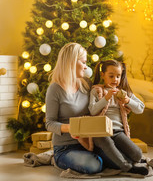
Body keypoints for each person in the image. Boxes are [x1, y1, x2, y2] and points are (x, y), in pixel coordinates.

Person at [45, 43, 115, 174]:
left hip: (90, 143)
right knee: (94, 165)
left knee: (119, 160)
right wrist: (72, 128)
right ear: (71, 62)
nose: (86, 66)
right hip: (66, 147)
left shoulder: (86, 84)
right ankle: (55, 159)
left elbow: (96, 106)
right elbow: (49, 123)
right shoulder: (55, 89)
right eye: (83, 62)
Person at [88, 59, 147, 175]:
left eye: (118, 76)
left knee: (137, 154)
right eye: (111, 76)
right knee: (106, 142)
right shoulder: (97, 91)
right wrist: (106, 98)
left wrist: (128, 101)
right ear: (102, 75)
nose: (115, 79)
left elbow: (140, 108)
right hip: (100, 132)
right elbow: (92, 110)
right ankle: (128, 168)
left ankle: (123, 160)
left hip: (118, 132)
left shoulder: (123, 92)